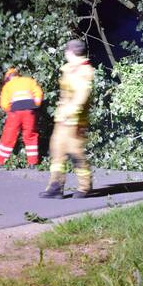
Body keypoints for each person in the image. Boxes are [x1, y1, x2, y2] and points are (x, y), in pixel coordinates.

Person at [40, 39, 95, 199]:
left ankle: (85, 187)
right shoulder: (71, 69)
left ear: (70, 52)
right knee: (57, 151)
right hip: (63, 119)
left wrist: (71, 113)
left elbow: (81, 96)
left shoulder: (84, 71)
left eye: (66, 52)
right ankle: (55, 187)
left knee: (76, 153)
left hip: (76, 121)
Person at [0, 67, 44, 166]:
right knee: (30, 135)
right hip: (30, 110)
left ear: (7, 78)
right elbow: (38, 93)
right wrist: (36, 104)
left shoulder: (8, 86)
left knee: (9, 135)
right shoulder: (29, 81)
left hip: (15, 112)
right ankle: (33, 162)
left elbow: (4, 104)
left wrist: (10, 110)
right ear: (18, 75)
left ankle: (0, 161)